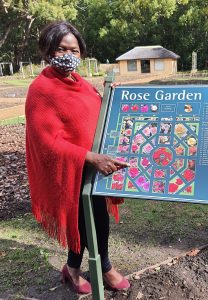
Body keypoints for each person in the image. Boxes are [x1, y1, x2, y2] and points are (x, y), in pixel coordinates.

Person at [25, 21, 130, 294]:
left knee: (98, 219)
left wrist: (113, 98)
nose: (68, 55)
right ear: (48, 51)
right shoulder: (41, 90)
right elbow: (46, 142)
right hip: (72, 168)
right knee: (83, 223)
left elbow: (95, 114)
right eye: (61, 49)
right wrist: (89, 157)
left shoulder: (81, 83)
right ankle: (98, 267)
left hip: (95, 167)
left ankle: (81, 268)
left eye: (74, 49)